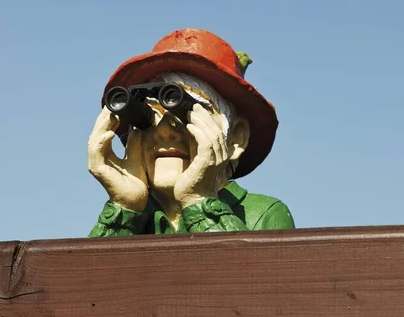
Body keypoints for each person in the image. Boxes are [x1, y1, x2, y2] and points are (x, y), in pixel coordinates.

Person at [87, 28, 295, 236]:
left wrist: (200, 203)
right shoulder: (133, 216)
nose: (164, 132)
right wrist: (124, 212)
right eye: (149, 116)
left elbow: (243, 268)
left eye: (185, 113)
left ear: (235, 137)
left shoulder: (263, 214)